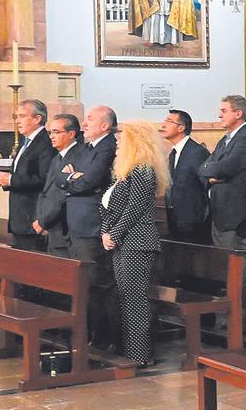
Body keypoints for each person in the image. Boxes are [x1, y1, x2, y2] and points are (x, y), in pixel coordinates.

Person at [100, 120, 170, 367]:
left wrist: (114, 234)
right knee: (125, 296)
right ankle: (130, 350)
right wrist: (105, 232)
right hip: (122, 241)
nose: (117, 142)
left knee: (135, 298)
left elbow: (135, 209)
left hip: (138, 242)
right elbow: (109, 207)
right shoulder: (126, 171)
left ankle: (141, 354)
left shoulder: (144, 170)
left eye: (122, 138)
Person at [60, 105, 119, 350]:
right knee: (84, 285)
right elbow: (60, 175)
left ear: (105, 126)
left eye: (90, 119)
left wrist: (75, 179)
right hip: (77, 224)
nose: (84, 123)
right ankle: (90, 333)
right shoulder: (86, 147)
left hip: (92, 225)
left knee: (97, 283)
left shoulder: (107, 148)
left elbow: (90, 181)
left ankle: (103, 336)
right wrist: (74, 178)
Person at [199, 95, 246, 326]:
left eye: (224, 110)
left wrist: (215, 173)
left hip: (236, 215)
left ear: (238, 113)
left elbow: (227, 166)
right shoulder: (226, 140)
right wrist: (212, 174)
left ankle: (245, 319)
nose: (219, 115)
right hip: (219, 214)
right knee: (227, 268)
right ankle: (234, 314)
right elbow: (203, 167)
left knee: (241, 269)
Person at [0, 99, 56, 252]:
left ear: (37, 119)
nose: (17, 121)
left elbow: (45, 179)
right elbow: (25, 174)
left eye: (22, 116)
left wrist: (10, 179)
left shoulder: (45, 142)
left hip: (34, 217)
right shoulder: (26, 141)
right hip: (20, 219)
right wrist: (6, 179)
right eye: (16, 117)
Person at [34, 114, 85, 258]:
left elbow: (63, 194)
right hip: (52, 228)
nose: (51, 136)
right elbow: (46, 192)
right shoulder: (57, 157)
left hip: (64, 229)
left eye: (56, 132)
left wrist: (44, 222)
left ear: (71, 134)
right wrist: (42, 220)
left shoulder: (78, 156)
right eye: (50, 132)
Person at [159, 109, 210, 242]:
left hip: (193, 223)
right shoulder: (173, 153)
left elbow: (206, 186)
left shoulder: (197, 152)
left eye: (169, 122)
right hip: (174, 220)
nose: (163, 125)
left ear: (181, 127)